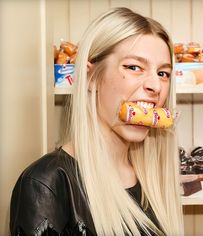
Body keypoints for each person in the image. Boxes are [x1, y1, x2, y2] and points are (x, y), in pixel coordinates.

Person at [10, 7, 184, 236]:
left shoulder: (154, 178)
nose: (156, 86)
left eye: (163, 73)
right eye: (134, 67)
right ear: (91, 77)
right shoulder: (45, 183)